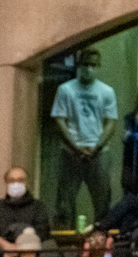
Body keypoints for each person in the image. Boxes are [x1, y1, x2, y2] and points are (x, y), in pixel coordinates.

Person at [51, 48, 119, 228]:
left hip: (99, 153)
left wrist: (96, 147)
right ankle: (67, 245)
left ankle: (101, 242)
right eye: (85, 64)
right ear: (78, 66)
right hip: (70, 153)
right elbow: (59, 120)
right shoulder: (65, 90)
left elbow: (111, 122)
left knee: (103, 203)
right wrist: (75, 146)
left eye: (93, 65)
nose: (89, 69)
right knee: (65, 202)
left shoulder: (106, 91)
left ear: (98, 67)